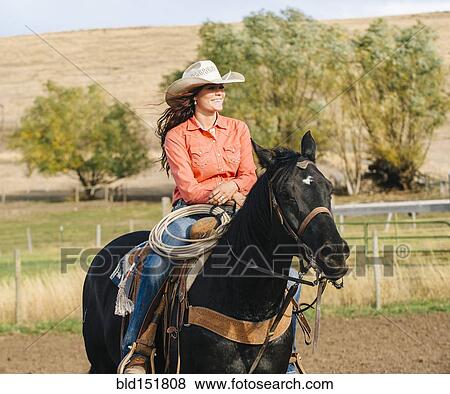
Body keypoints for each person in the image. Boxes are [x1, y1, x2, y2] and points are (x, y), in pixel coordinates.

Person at [121, 60, 300, 374]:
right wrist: (225, 189)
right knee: (156, 263)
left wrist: (232, 186)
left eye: (221, 88)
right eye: (212, 88)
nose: (220, 93)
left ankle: (288, 357)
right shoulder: (178, 136)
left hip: (237, 208)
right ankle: (138, 348)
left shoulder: (238, 128)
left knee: (287, 272)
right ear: (194, 96)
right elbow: (188, 187)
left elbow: (248, 175)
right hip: (191, 213)